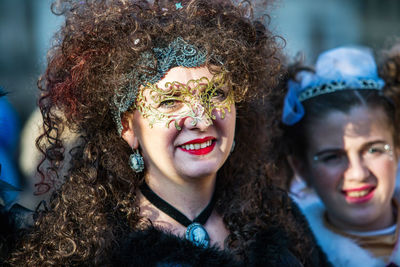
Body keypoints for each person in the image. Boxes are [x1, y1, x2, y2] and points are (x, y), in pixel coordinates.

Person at [9, 0, 330, 265]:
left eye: (216, 94)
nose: (200, 118)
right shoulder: (90, 245)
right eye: (170, 100)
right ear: (127, 128)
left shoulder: (276, 217)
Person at [281, 45, 400, 266]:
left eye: (374, 150)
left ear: (397, 150)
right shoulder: (290, 256)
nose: (357, 173)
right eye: (332, 157)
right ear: (301, 169)